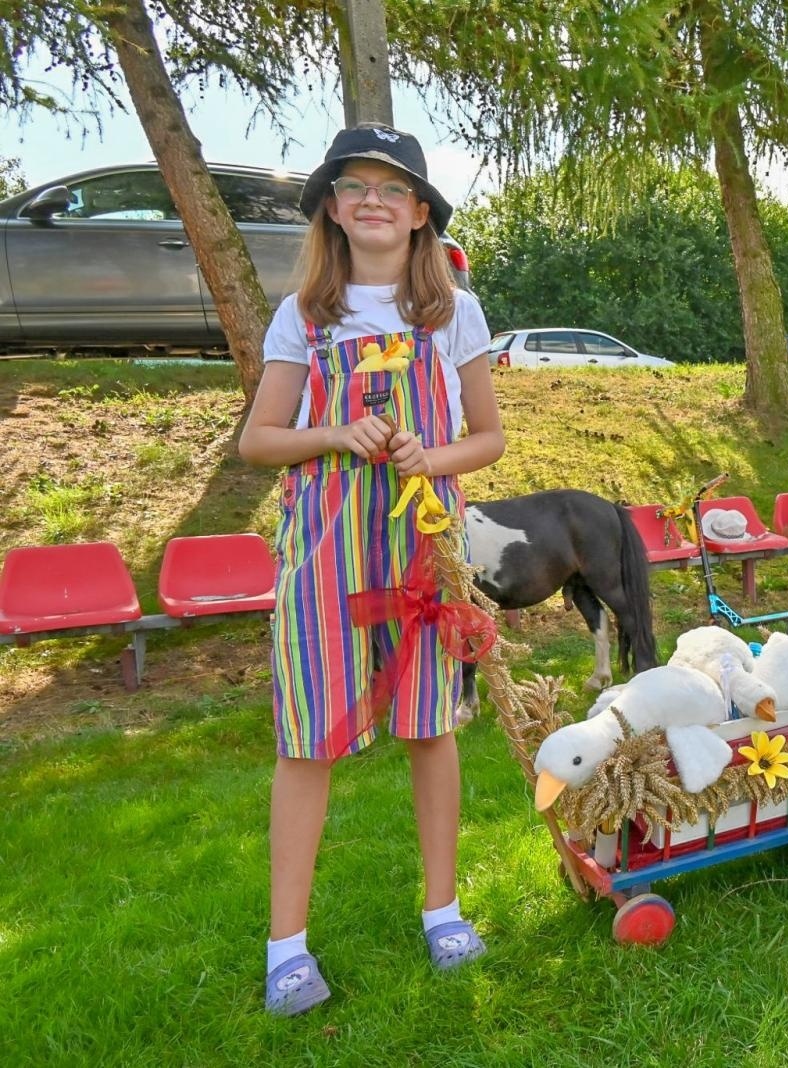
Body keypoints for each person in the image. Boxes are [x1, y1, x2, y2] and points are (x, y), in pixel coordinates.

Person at [238, 123, 506, 1017]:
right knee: (307, 736)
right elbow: (258, 440)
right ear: (332, 210)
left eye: (392, 188)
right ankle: (287, 949)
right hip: (324, 557)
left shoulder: (452, 312)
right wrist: (334, 434)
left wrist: (435, 459)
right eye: (353, 186)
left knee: (431, 726)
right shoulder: (305, 316)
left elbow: (490, 438)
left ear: (421, 212)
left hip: (423, 550)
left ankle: (442, 909)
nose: (373, 201)